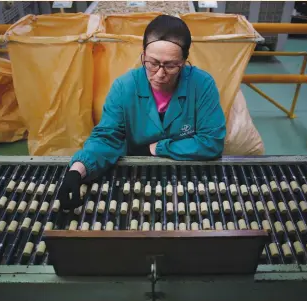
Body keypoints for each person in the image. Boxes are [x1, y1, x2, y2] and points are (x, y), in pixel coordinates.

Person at [58, 15, 226, 210]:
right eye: (152, 63)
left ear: (184, 61)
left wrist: (158, 148)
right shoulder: (124, 87)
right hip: (135, 176)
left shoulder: (201, 85)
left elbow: (211, 142)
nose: (160, 74)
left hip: (189, 173)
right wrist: (77, 170)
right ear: (143, 54)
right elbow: (106, 138)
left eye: (171, 65)